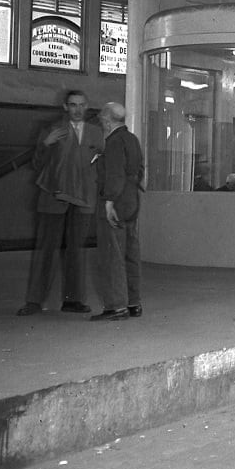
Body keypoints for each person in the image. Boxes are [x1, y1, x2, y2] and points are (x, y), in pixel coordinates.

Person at [18, 90, 104, 316]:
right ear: (65, 107)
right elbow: (37, 165)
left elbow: (101, 165)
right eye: (73, 105)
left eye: (82, 105)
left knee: (76, 251)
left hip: (83, 199)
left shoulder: (97, 133)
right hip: (53, 198)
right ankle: (35, 302)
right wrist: (45, 145)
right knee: (46, 250)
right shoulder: (51, 131)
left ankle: (73, 301)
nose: (77, 109)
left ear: (87, 106)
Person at [90, 102, 144, 321]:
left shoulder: (113, 142)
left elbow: (115, 175)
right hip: (133, 199)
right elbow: (138, 171)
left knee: (113, 253)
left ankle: (116, 306)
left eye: (103, 117)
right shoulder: (132, 139)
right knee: (131, 252)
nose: (101, 120)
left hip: (118, 199)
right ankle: (134, 303)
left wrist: (109, 201)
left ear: (108, 119)